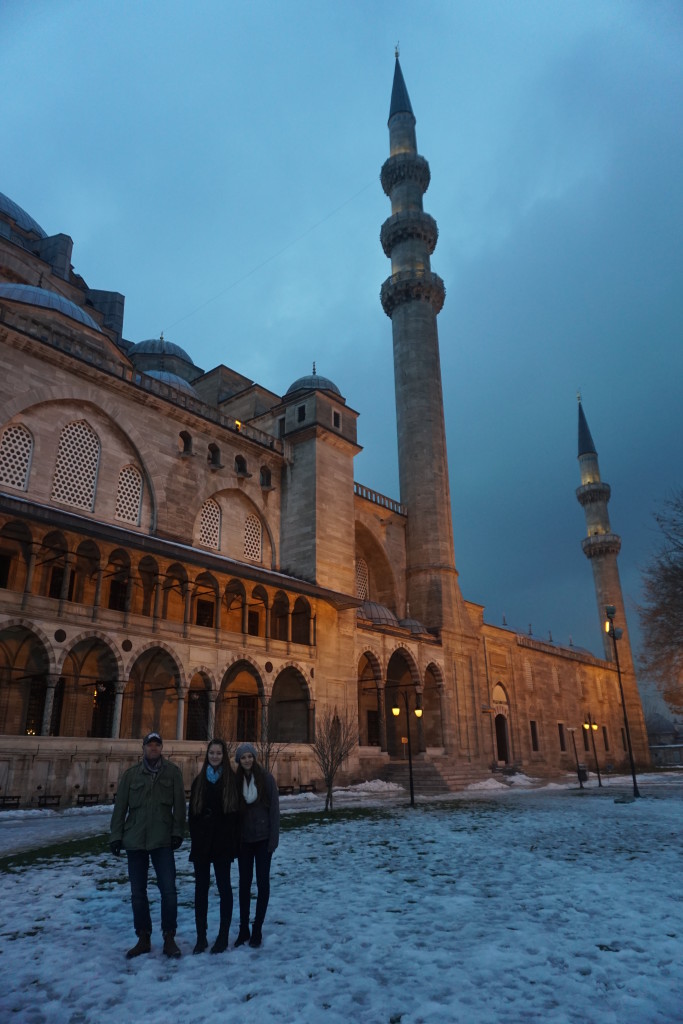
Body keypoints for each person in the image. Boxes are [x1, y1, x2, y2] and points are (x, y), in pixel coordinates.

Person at [109, 732, 186, 959]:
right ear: (143, 748)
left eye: (157, 745)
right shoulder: (131, 775)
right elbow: (120, 807)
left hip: (162, 838)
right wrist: (116, 835)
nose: (153, 748)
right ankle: (143, 936)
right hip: (135, 839)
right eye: (149, 745)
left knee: (169, 890)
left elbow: (180, 806)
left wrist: (177, 832)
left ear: (161, 748)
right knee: (138, 892)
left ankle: (169, 936)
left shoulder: (172, 773)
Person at [188, 739, 240, 954]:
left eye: (219, 753)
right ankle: (201, 937)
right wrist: (197, 834)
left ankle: (222, 936)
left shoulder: (231, 781)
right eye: (212, 753)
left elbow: (236, 815)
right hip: (201, 844)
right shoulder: (199, 781)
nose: (215, 756)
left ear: (224, 755)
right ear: (207, 755)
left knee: (224, 888)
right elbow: (192, 815)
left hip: (222, 844)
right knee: (201, 890)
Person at [234, 742, 280, 948]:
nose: (247, 760)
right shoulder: (235, 782)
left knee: (262, 883)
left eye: (249, 756)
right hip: (244, 840)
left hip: (262, 839)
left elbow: (274, 811)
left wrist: (273, 839)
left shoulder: (266, 779)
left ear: (254, 757)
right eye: (243, 757)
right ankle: (244, 927)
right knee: (244, 884)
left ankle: (257, 928)